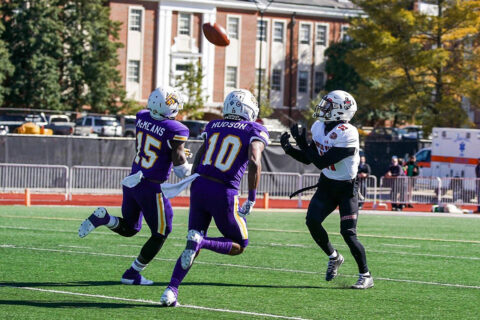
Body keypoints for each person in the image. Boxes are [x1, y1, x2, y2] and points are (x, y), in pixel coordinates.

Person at [159, 89, 269, 306]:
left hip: (199, 187)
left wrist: (193, 179)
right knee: (239, 243)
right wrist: (253, 197)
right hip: (224, 191)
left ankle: (171, 290)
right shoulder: (254, 128)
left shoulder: (213, 125)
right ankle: (203, 242)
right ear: (249, 109)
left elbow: (200, 153)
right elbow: (255, 162)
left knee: (192, 242)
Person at [78, 86, 191, 285]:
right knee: (161, 233)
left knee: (130, 228)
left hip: (133, 182)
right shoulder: (177, 129)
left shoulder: (142, 116)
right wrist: (196, 169)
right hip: (152, 188)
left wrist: (173, 151)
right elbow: (180, 168)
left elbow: (152, 142)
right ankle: (132, 273)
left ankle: (104, 218)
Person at [280, 90, 373, 289]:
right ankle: (334, 257)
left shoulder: (348, 132)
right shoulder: (319, 126)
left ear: (341, 111)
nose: (323, 108)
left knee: (348, 233)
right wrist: (290, 149)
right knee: (312, 221)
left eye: (328, 105)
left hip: (347, 188)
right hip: (327, 184)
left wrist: (302, 142)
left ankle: (366, 274)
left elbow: (322, 161)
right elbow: (309, 158)